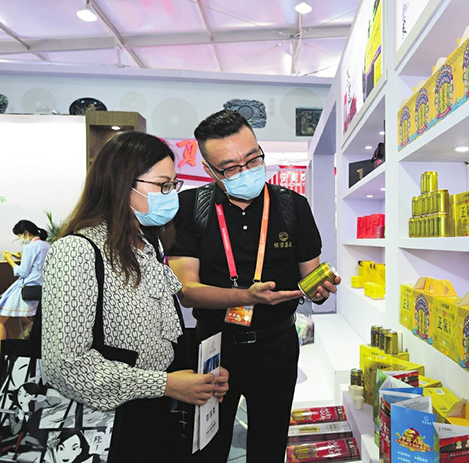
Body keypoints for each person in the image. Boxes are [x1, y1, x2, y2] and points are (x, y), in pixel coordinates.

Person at [40, 131, 229, 463]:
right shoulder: (76, 251)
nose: (171, 196)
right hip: (104, 430)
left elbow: (160, 338)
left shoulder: (148, 245)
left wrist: (199, 377)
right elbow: (67, 366)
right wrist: (165, 385)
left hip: (154, 420)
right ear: (121, 184)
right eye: (162, 185)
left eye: (174, 185)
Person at [168, 109, 340, 462]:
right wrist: (245, 296)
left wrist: (320, 289)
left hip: (276, 345)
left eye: (253, 159)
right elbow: (186, 291)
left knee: (269, 445)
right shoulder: (190, 207)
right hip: (214, 348)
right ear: (209, 170)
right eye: (231, 168)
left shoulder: (293, 206)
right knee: (207, 447)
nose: (246, 171)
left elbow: (312, 276)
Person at [0, 220, 50, 340]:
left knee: (1, 319)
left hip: (27, 288)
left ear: (26, 233)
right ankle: (29, 332)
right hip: (42, 288)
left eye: (19, 236)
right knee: (19, 315)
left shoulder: (29, 247)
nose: (21, 239)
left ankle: (3, 350)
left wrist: (9, 259)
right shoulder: (47, 245)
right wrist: (23, 258)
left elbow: (23, 273)